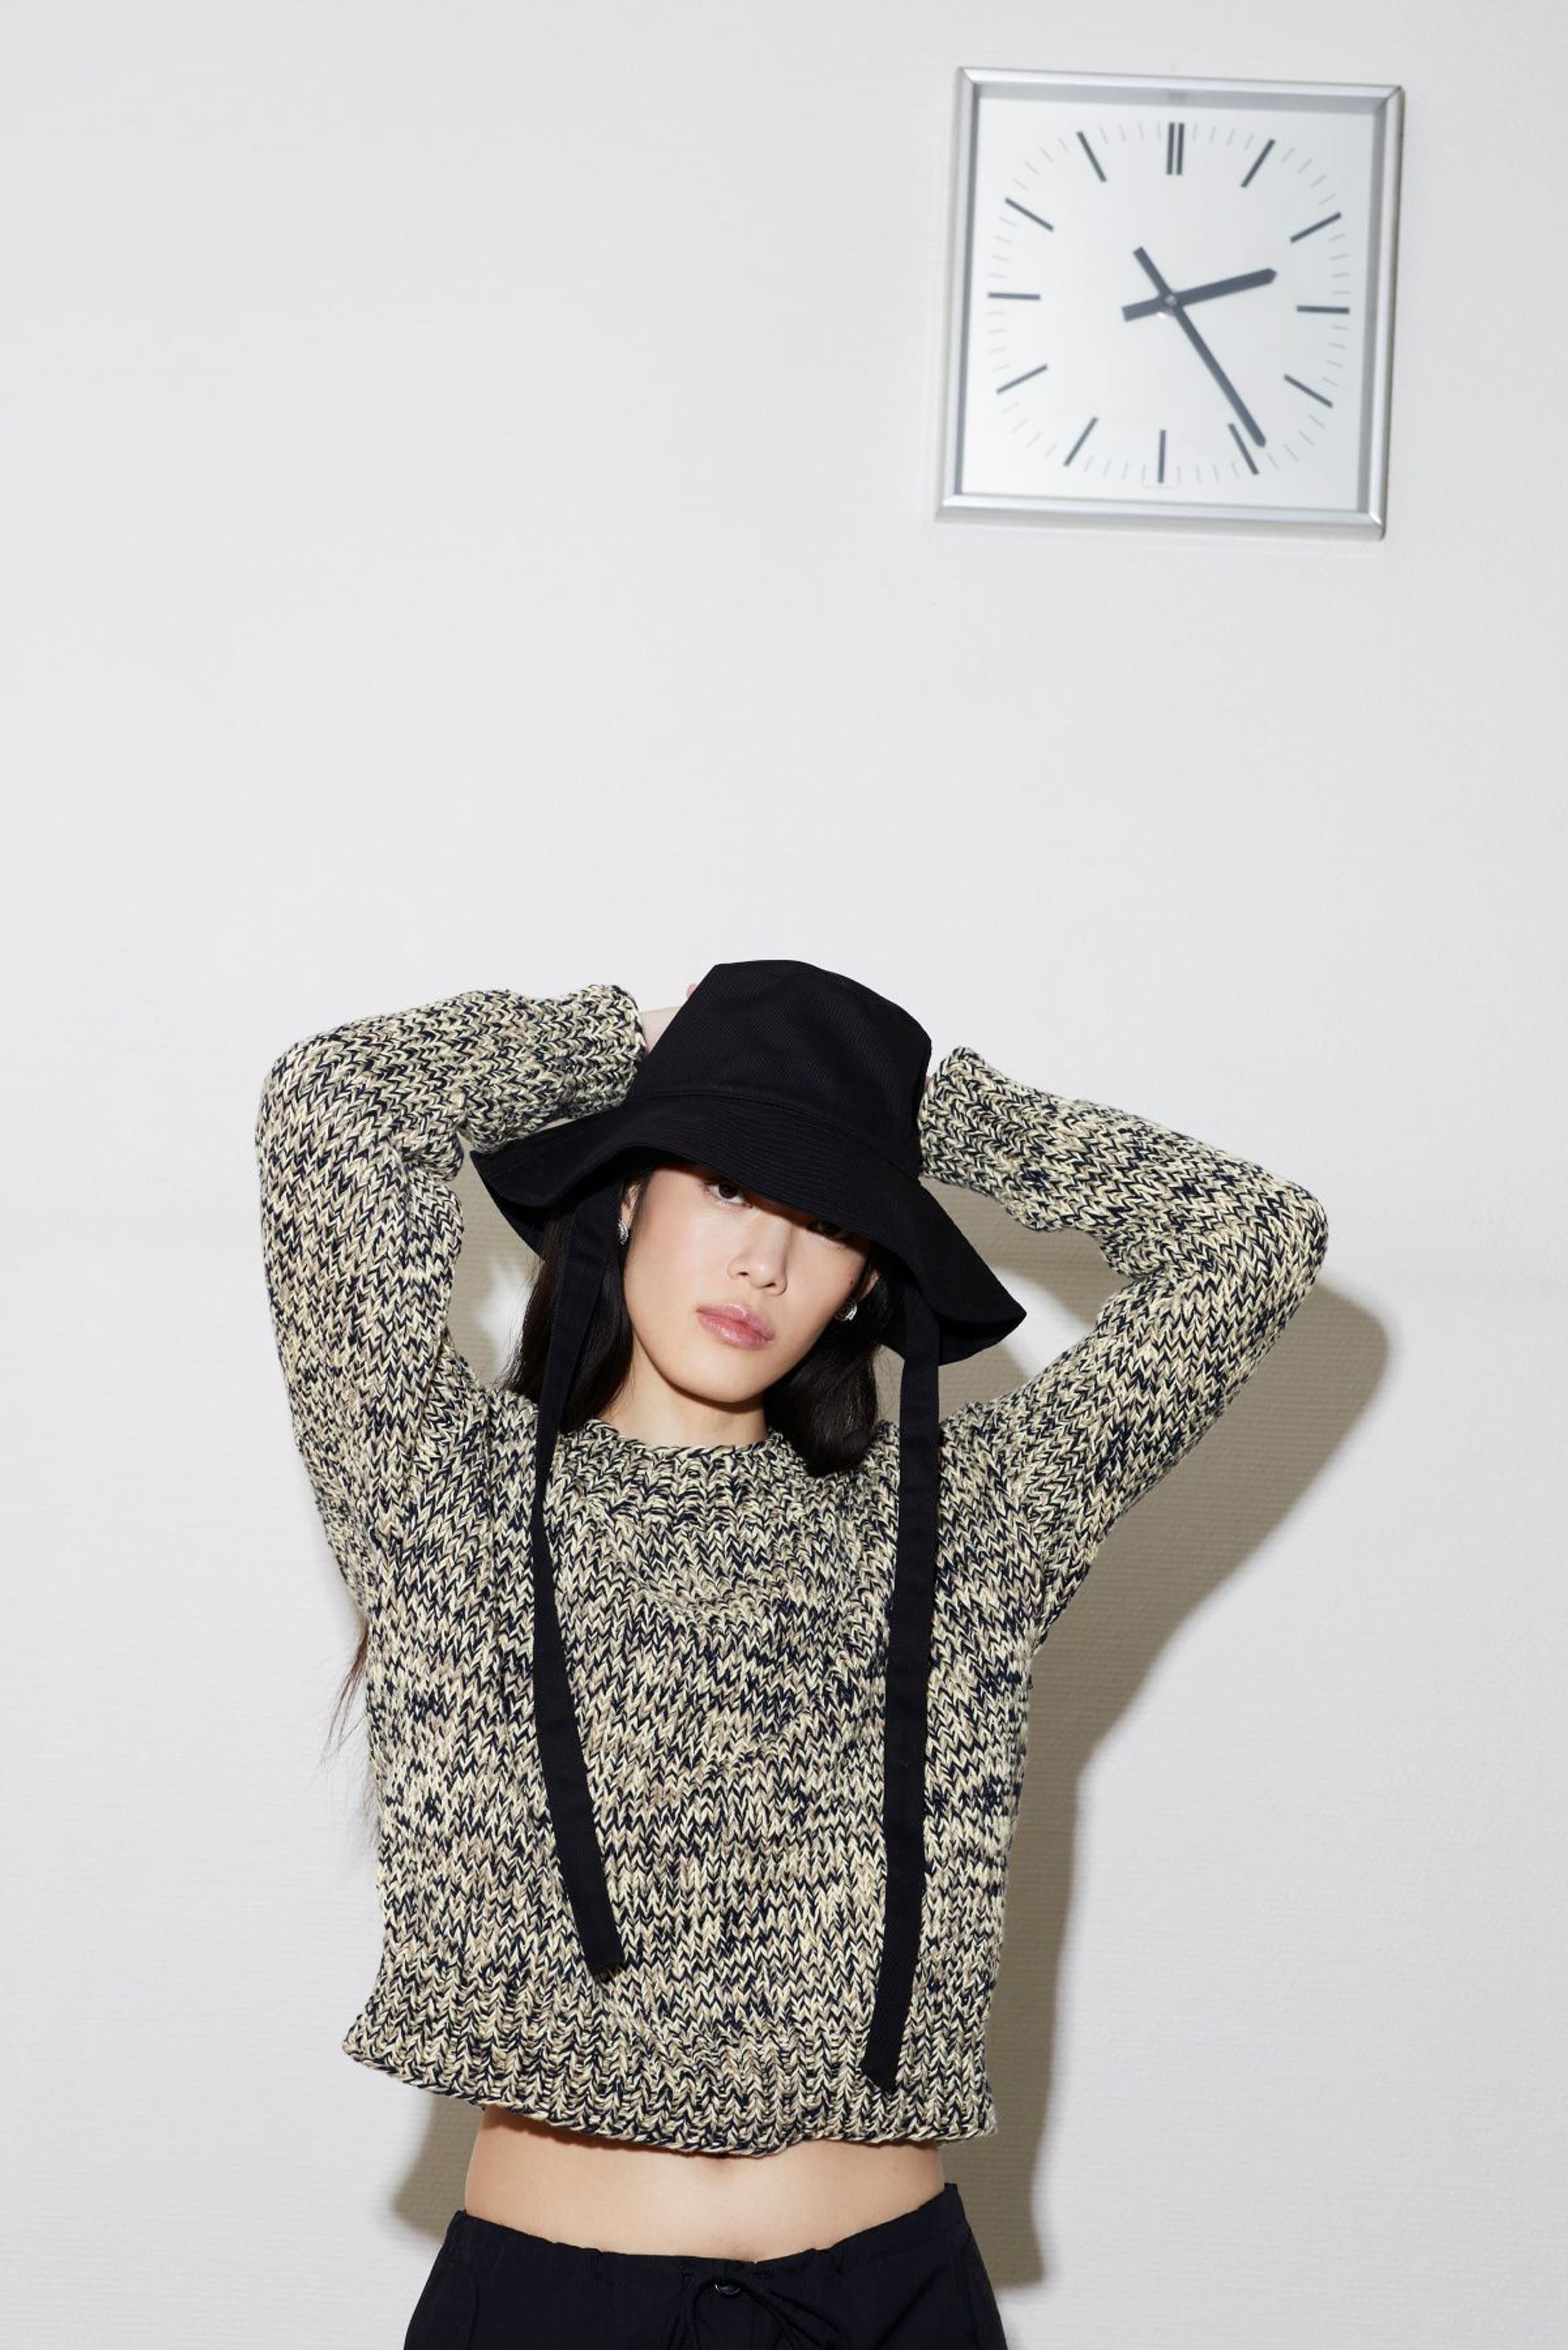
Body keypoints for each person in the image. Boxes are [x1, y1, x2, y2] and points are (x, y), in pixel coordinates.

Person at [254, 959, 1328, 2348]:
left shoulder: (968, 1528)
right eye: (726, 1185)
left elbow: (1254, 1239)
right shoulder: (445, 1493)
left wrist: (918, 1113)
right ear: (626, 1194)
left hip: (890, 2304)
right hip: (549, 2307)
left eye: (828, 1222)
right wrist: (629, 1044)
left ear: (868, 1276)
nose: (765, 1260)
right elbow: (332, 1108)